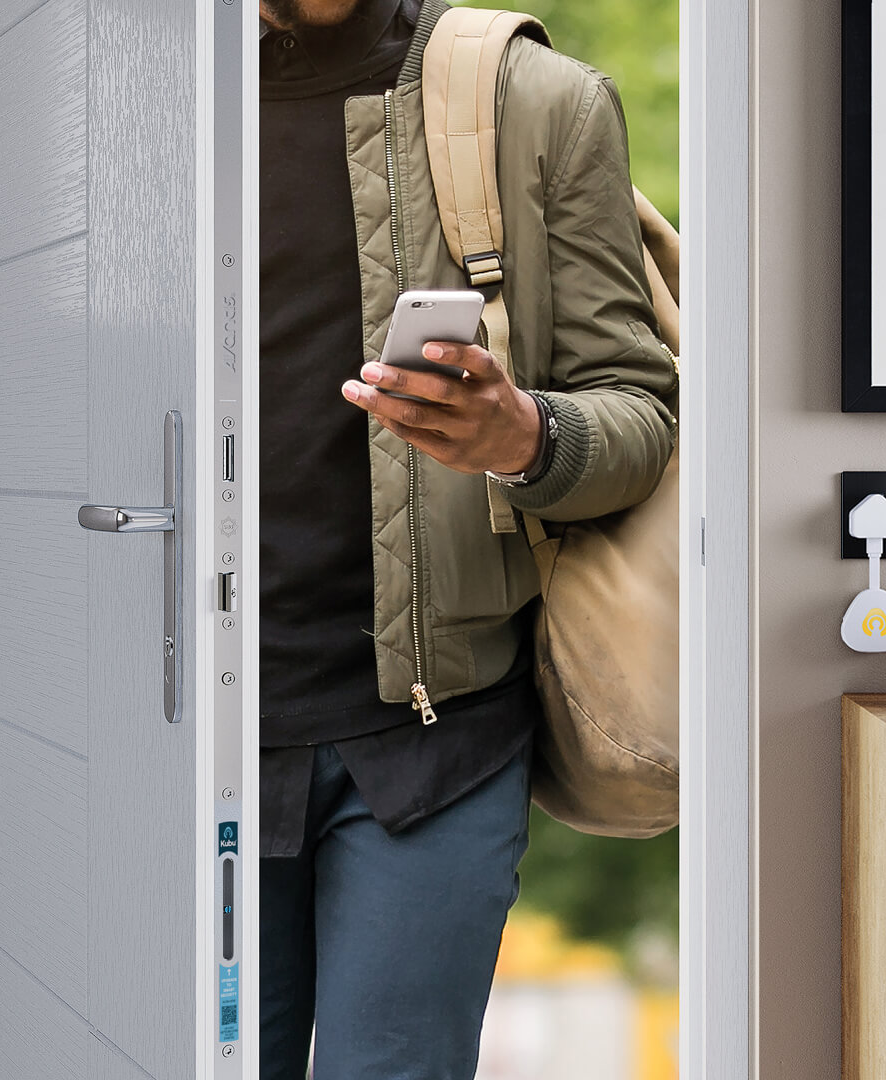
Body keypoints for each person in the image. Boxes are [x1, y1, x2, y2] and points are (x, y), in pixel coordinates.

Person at [257, 0, 677, 1075]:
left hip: (433, 746)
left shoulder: (530, 101)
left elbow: (639, 409)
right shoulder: (131, 99)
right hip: (179, 741)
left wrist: (525, 436)